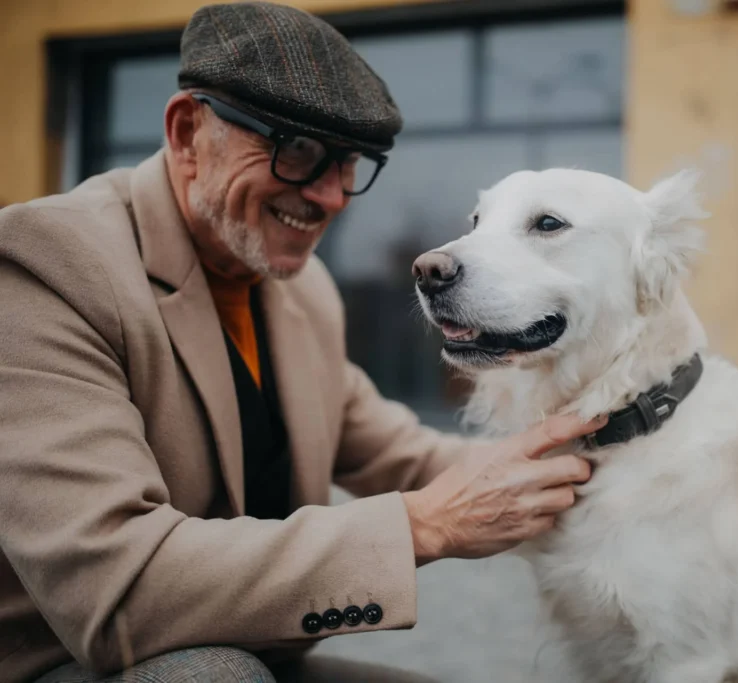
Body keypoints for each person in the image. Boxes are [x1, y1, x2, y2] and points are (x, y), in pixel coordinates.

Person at [0, 3, 606, 682]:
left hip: (255, 650)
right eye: (296, 151)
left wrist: (606, 464)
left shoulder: (300, 286)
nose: (331, 196)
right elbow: (119, 586)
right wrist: (422, 526)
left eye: (351, 163)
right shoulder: (43, 264)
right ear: (185, 130)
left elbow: (402, 454)